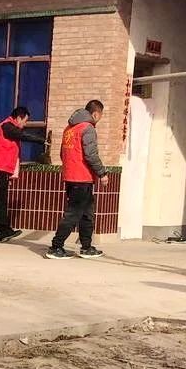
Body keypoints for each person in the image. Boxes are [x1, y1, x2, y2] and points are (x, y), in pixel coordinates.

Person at [46, 100, 108, 260]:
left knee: (87, 213)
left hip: (72, 177)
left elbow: (62, 154)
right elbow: (91, 154)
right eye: (100, 116)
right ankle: (56, 246)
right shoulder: (88, 128)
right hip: (82, 178)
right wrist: (102, 173)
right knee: (73, 214)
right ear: (96, 114)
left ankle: (86, 247)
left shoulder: (69, 129)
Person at [0, 106, 47, 242]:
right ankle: (5, 230)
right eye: (25, 121)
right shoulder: (7, 126)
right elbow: (22, 135)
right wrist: (41, 140)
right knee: (0, 200)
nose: (25, 124)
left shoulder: (8, 128)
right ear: (18, 118)